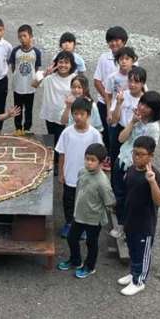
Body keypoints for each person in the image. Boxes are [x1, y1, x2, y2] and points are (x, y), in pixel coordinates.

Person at [57, 143, 115, 279]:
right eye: (87, 159)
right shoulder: (82, 172)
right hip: (79, 215)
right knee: (71, 238)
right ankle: (75, 261)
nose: (89, 162)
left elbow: (110, 201)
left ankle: (90, 266)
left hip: (94, 219)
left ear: (101, 162)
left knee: (91, 243)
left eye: (93, 160)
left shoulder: (102, 182)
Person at [110, 91, 160, 238]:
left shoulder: (153, 128)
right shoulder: (136, 118)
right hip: (122, 159)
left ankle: (124, 227)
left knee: (130, 198)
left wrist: (139, 169)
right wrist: (132, 123)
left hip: (134, 167)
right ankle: (121, 222)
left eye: (147, 106)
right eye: (141, 103)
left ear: (154, 110)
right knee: (119, 193)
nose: (142, 107)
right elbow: (121, 139)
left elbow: (149, 152)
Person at [117, 136, 160, 296]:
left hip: (145, 225)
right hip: (130, 220)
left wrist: (152, 182)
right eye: (135, 153)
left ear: (151, 156)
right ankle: (133, 273)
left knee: (142, 253)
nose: (136, 157)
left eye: (141, 154)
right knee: (132, 250)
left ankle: (139, 281)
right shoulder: (131, 169)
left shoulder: (155, 175)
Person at [55, 98, 103, 237]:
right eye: (75, 114)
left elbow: (100, 156)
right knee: (68, 201)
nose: (78, 117)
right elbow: (62, 153)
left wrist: (97, 174)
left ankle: (83, 227)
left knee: (85, 202)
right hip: (70, 175)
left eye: (82, 114)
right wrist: (61, 173)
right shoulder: (67, 132)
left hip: (88, 177)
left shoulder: (94, 134)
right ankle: (69, 223)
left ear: (88, 115)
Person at [35, 50, 77, 172]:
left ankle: (61, 164)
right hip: (50, 114)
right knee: (53, 138)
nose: (63, 65)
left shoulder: (74, 78)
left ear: (71, 64)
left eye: (66, 62)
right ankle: (55, 162)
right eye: (60, 62)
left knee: (62, 140)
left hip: (65, 116)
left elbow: (81, 93)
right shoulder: (49, 77)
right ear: (55, 63)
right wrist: (45, 74)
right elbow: (34, 84)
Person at [93, 26, 129, 157]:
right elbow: (97, 81)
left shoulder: (131, 60)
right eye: (111, 41)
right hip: (104, 103)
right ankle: (108, 158)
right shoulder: (104, 58)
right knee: (106, 135)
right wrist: (109, 99)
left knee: (122, 133)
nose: (114, 43)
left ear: (124, 41)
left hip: (124, 105)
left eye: (117, 40)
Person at [104, 46, 138, 168]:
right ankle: (114, 170)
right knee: (114, 146)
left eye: (127, 59)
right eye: (121, 59)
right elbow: (108, 96)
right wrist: (109, 112)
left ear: (133, 60)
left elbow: (144, 94)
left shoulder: (137, 77)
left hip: (132, 117)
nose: (124, 61)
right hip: (116, 113)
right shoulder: (112, 77)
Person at [9, 24, 41, 136]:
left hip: (30, 86)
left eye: (24, 36)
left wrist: (31, 78)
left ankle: (27, 128)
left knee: (28, 109)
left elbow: (36, 68)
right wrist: (18, 76)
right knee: (18, 108)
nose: (22, 39)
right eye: (20, 37)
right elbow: (13, 67)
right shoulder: (15, 51)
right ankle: (18, 128)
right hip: (18, 86)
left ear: (30, 36)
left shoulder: (36, 52)